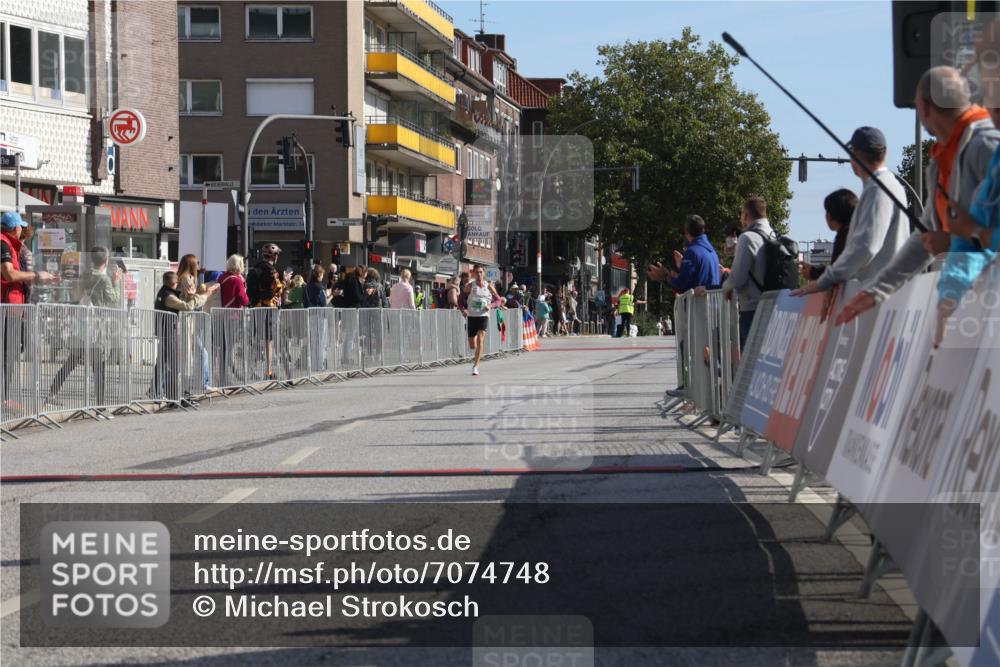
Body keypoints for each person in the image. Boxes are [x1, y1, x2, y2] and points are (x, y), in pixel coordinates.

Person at [839, 66, 1000, 324]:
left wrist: (953, 240)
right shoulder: (941, 159)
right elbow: (924, 238)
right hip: (973, 311)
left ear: (924, 107)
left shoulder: (987, 146)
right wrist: (876, 290)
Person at [793, 128, 908, 297]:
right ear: (885, 153)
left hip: (874, 294)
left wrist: (826, 280)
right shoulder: (892, 185)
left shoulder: (878, 189)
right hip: (885, 291)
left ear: (855, 155)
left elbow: (866, 246)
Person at [47, 246, 121, 411]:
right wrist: (116, 283)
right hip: (99, 327)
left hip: (82, 324)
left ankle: (51, 393)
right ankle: (100, 405)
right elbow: (113, 299)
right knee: (99, 365)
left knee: (71, 361)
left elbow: (76, 293)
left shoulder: (85, 275)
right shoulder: (105, 280)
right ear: (106, 260)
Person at [150, 271, 211, 401]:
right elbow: (187, 307)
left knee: (162, 363)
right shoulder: (169, 296)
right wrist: (201, 296)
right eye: (177, 283)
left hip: (166, 332)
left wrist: (191, 295)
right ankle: (171, 395)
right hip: (168, 333)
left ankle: (156, 391)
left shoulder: (165, 292)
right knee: (172, 364)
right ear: (174, 283)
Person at [722, 196, 775, 347]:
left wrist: (726, 287)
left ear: (745, 215)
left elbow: (737, 278)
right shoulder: (773, 235)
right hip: (773, 305)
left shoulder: (747, 238)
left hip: (752, 308)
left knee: (750, 359)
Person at [648, 214, 722, 293]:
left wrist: (665, 276)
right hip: (714, 304)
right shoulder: (713, 253)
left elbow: (682, 286)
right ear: (702, 229)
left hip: (697, 304)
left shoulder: (692, 252)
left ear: (686, 231)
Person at [803, 189, 857, 281]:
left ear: (829, 216)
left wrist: (813, 273)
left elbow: (837, 270)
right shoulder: (859, 232)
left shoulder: (843, 237)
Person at [1, 211, 54, 304]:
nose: (21, 229)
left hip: (10, 302)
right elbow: (9, 274)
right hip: (6, 304)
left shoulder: (11, 244)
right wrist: (37, 275)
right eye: (21, 227)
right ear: (16, 228)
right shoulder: (3, 243)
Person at [463, 264, 501, 376]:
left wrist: (491, 306)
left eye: (481, 272)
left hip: (484, 315)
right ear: (473, 274)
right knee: (472, 345)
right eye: (477, 272)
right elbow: (461, 299)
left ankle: (475, 366)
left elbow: (498, 300)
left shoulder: (489, 286)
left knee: (480, 340)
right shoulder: (469, 286)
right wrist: (463, 309)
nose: (479, 274)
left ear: (484, 273)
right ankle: (475, 356)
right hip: (472, 316)